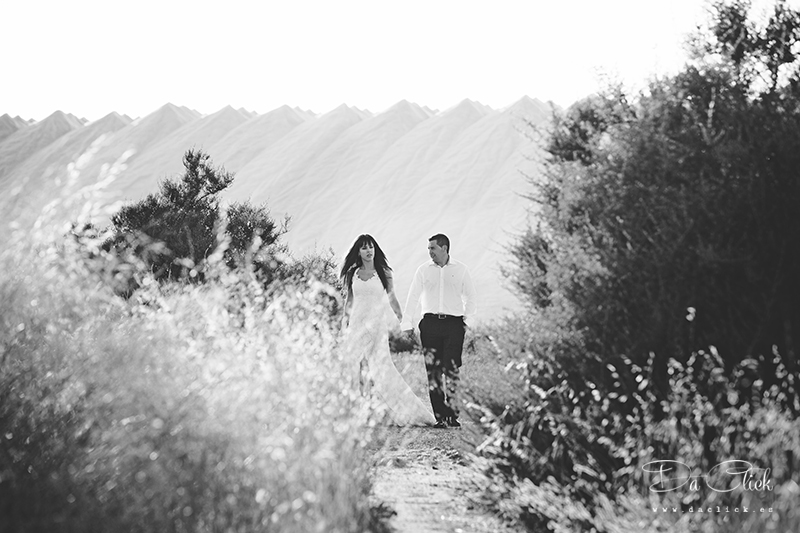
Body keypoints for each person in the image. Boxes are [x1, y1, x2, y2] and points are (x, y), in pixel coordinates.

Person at [340, 234, 436, 426]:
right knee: (352, 366)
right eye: (364, 248)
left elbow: (392, 299)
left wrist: (403, 320)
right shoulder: (352, 273)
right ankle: (357, 411)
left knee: (381, 368)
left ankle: (409, 412)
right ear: (358, 251)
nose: (369, 251)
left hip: (376, 325)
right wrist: (344, 325)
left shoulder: (384, 272)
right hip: (357, 324)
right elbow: (349, 301)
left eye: (371, 247)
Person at [401, 234, 477, 429]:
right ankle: (440, 417)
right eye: (428, 249)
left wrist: (466, 321)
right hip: (430, 325)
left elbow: (470, 297)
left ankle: (452, 416)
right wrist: (406, 323)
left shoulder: (461, 269)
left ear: (444, 248)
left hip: (453, 325)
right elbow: (413, 297)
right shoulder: (423, 270)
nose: (430, 253)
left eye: (433, 249)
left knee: (451, 370)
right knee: (433, 372)